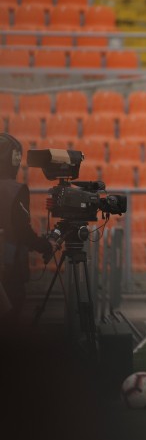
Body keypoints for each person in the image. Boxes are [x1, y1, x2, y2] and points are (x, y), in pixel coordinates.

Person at [0, 133, 53, 329]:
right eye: (15, 155)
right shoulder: (17, 190)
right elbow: (22, 230)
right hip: (10, 266)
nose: (18, 159)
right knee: (11, 318)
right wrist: (43, 245)